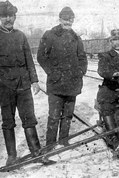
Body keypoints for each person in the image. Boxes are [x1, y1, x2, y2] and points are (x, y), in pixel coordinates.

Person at [0, 0, 42, 166]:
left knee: (29, 119)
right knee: (8, 121)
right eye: (4, 16)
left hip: (24, 84)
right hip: (5, 86)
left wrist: (34, 80)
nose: (8, 19)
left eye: (10, 15)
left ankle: (37, 152)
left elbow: (29, 60)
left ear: (15, 16)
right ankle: (12, 157)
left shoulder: (21, 36)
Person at [37, 7, 87, 147]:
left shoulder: (76, 37)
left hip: (72, 83)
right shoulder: (50, 35)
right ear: (59, 19)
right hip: (56, 83)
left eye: (70, 19)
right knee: (53, 116)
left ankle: (64, 140)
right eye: (65, 19)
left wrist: (81, 72)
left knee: (68, 115)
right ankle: (50, 144)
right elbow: (41, 56)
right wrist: (52, 73)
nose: (67, 22)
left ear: (73, 20)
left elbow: (82, 58)